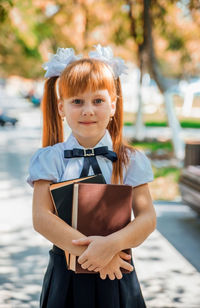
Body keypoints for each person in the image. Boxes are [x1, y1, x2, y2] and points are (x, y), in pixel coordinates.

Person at [27, 45, 156, 308]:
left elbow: (147, 217)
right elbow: (42, 218)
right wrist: (92, 254)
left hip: (118, 269)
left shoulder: (130, 160)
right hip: (66, 275)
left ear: (113, 105)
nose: (88, 110)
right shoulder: (50, 158)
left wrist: (111, 246)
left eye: (98, 100)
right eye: (77, 101)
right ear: (62, 107)